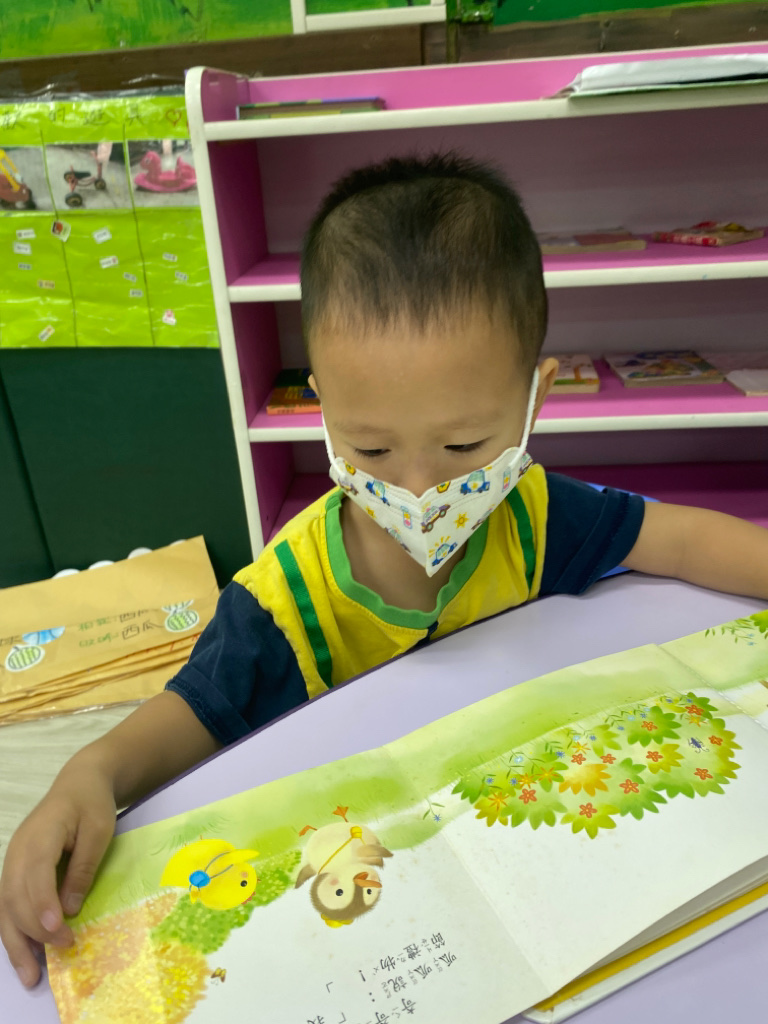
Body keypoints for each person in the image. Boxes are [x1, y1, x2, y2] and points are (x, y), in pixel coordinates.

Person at [2, 152, 767, 989]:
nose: (419, 488)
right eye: (371, 448)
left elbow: (680, 538)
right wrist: (91, 772)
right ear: (322, 404)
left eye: (464, 446)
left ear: (536, 398)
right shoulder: (284, 600)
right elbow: (195, 711)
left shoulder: (538, 515)